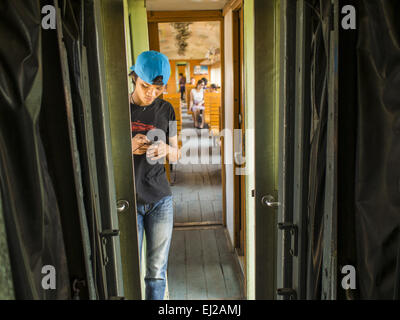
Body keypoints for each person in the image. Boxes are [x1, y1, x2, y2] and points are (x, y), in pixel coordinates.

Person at [129, 50, 181, 300]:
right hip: (128, 200)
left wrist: (166, 149)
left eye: (157, 89)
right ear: (134, 78)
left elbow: (177, 154)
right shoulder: (118, 108)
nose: (151, 93)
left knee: (156, 272)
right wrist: (126, 147)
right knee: (128, 270)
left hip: (160, 199)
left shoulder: (166, 109)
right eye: (145, 86)